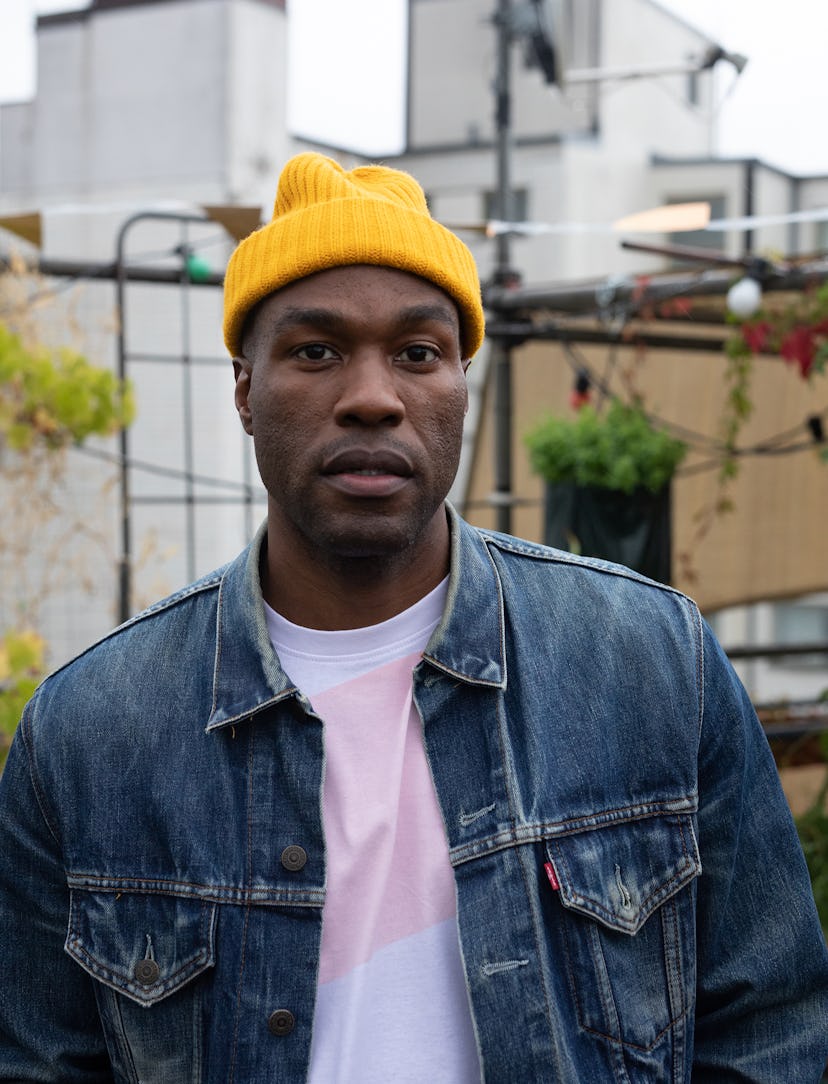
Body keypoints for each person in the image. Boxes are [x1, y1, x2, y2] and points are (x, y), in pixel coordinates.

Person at [0, 152, 826, 1084]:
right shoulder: (88, 736)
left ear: (461, 384)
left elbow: (773, 1031)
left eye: (418, 353)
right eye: (315, 351)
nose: (373, 396)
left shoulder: (651, 665)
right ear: (243, 389)